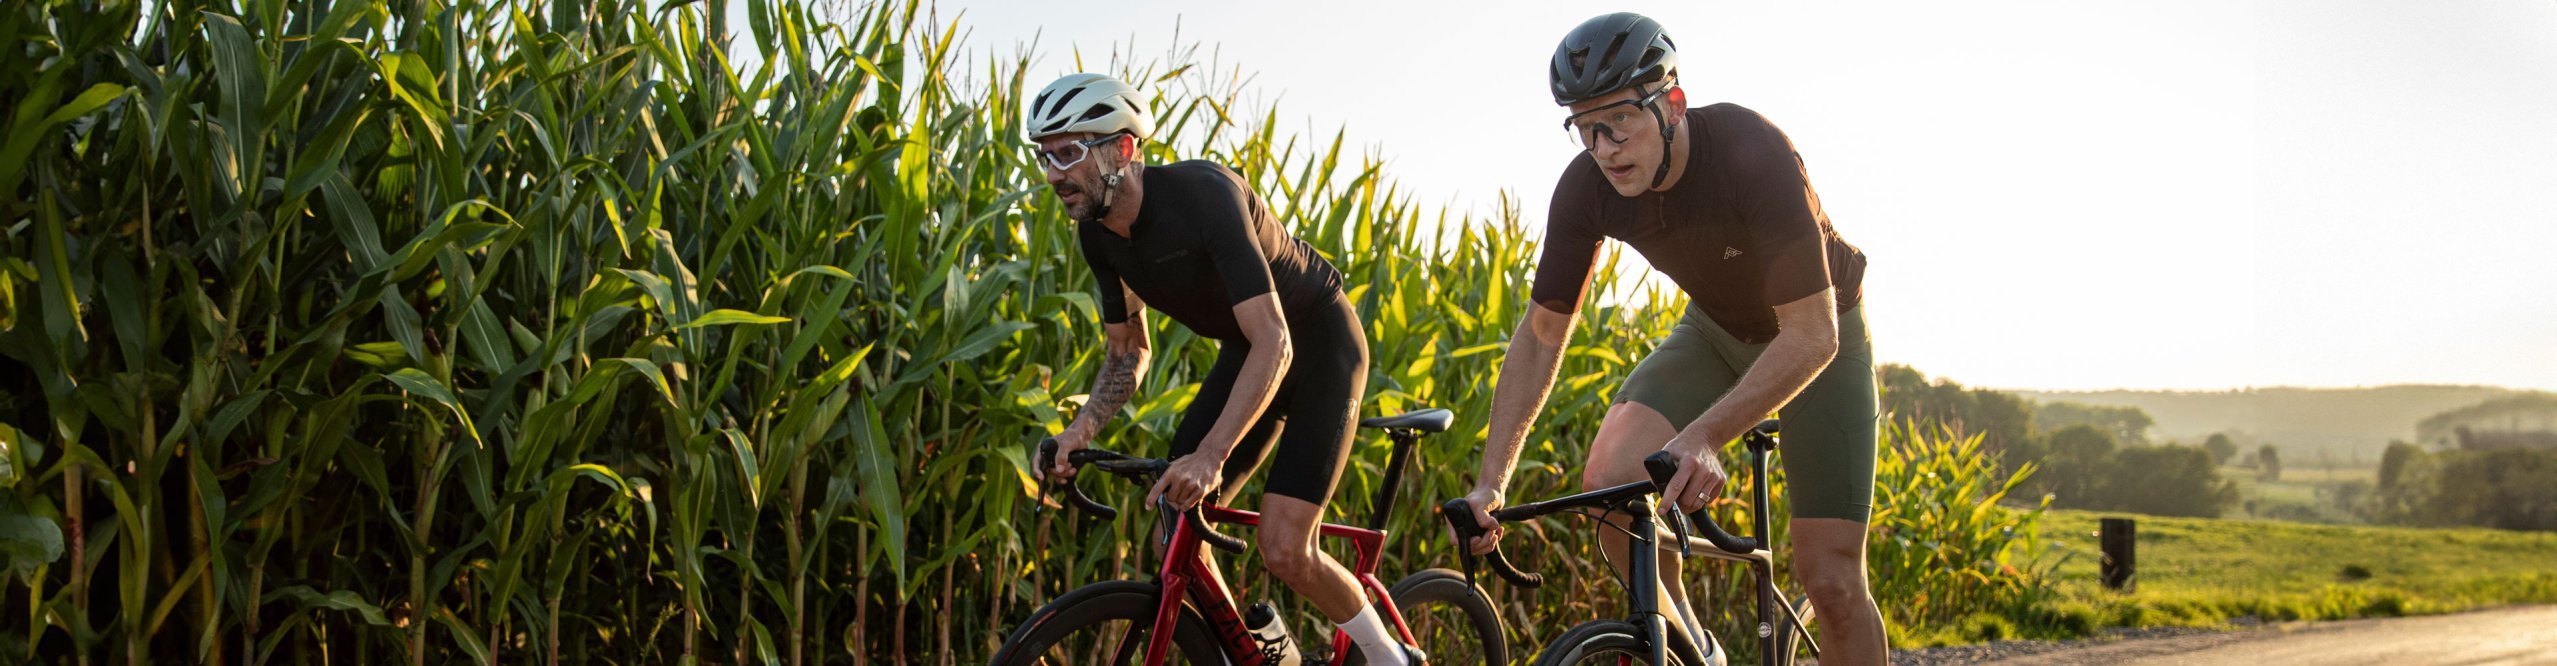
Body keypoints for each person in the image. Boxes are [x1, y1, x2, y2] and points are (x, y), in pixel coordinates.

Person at [1457, 13, 1888, 665]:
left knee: (1829, 579)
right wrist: (1491, 483)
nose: (1603, 147)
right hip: (1714, 333)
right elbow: (1542, 335)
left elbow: (1813, 334)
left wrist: (1705, 435)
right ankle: (1696, 653)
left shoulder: (1750, 150)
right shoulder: (1586, 190)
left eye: (1619, 120)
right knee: (1610, 491)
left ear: (1672, 104)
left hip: (1818, 339)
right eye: (1583, 127)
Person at [1028, 73, 1416, 665]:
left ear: (1122, 150)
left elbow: (1277, 341)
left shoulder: (1205, 195)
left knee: (1284, 546)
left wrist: (1210, 456)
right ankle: (1265, 657)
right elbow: (1128, 352)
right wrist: (1077, 433)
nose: (1054, 174)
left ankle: (1390, 660)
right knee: (1174, 531)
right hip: (1249, 355)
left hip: (1315, 343)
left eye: (1069, 152)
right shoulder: (1097, 238)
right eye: (1045, 156)